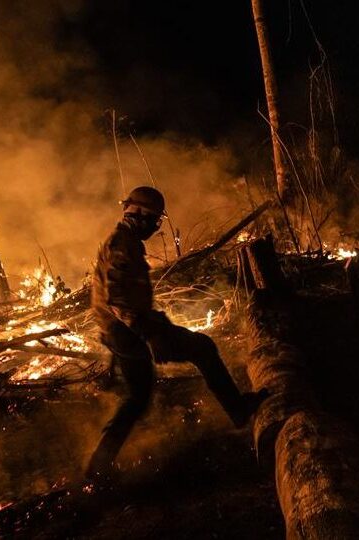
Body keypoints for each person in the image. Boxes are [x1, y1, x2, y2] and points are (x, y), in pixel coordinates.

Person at [86, 186, 268, 480]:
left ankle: (98, 466)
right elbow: (117, 299)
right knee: (199, 351)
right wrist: (151, 335)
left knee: (140, 396)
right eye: (153, 219)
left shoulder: (126, 241)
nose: (154, 226)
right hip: (129, 330)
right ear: (140, 215)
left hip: (129, 328)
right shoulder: (122, 244)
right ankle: (238, 411)